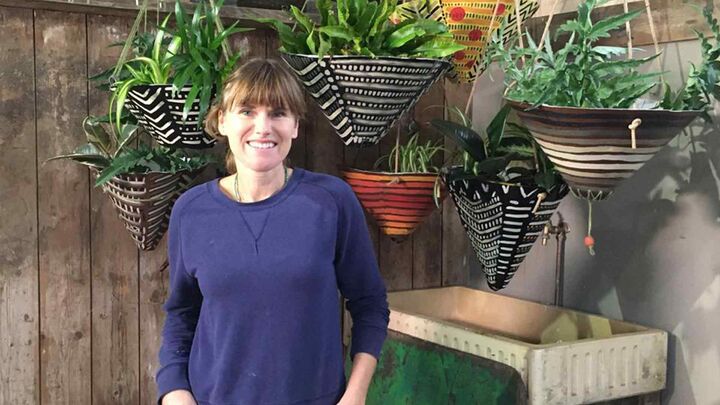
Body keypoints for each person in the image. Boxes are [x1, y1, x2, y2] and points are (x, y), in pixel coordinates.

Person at [155, 58, 390, 405]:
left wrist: (355, 395)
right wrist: (175, 393)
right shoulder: (191, 211)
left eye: (278, 113)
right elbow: (181, 313)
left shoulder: (331, 201)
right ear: (222, 121)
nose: (263, 127)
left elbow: (369, 303)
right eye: (247, 111)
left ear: (295, 125)